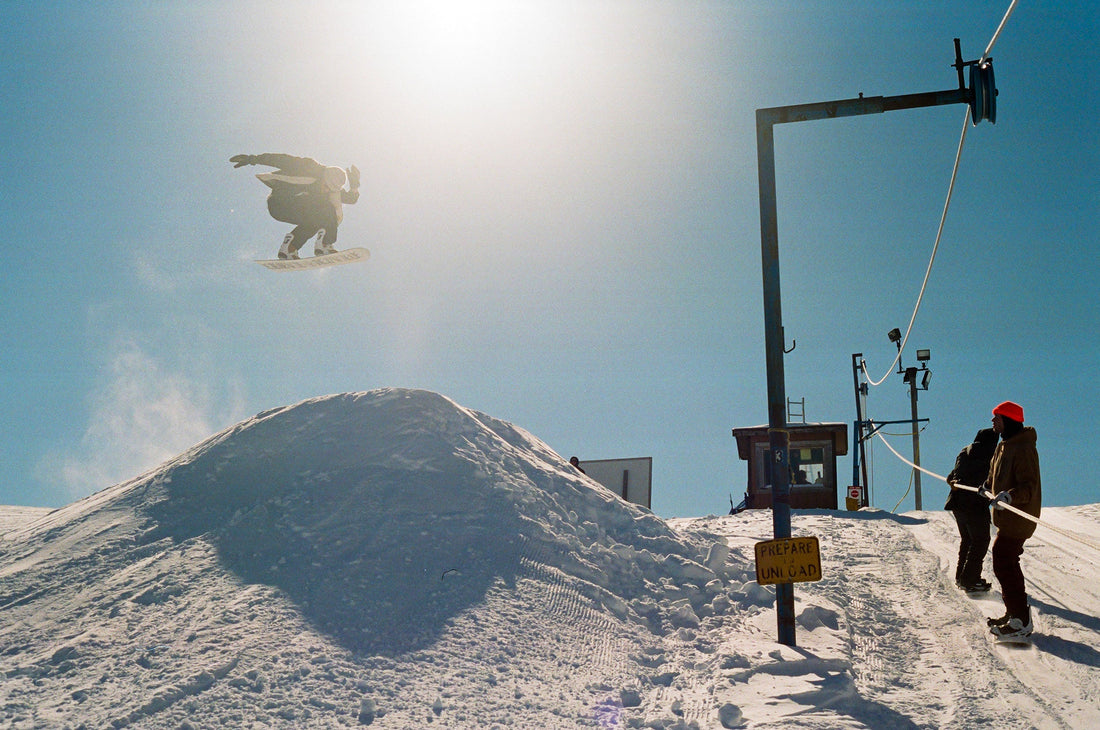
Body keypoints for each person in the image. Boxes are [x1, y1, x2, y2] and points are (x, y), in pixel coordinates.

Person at [982, 400, 1041, 640]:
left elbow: (1028, 485)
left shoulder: (1023, 447)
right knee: (1003, 561)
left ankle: (1021, 621)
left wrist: (1010, 496)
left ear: (1010, 420)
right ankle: (1015, 614)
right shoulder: (1003, 445)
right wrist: (986, 486)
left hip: (1019, 514)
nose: (993, 421)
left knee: (1004, 560)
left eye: (997, 417)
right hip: (1006, 516)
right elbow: (995, 474)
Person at [230, 153, 360, 260]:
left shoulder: (332, 189)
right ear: (324, 178)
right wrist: (252, 159)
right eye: (326, 186)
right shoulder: (308, 167)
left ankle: (289, 249)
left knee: (315, 221)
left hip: (297, 208)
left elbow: (350, 199)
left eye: (329, 189)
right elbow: (281, 160)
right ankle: (325, 244)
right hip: (279, 203)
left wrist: (354, 186)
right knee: (327, 208)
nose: (326, 190)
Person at [945, 428, 998, 592]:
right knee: (980, 540)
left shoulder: (964, 452)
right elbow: (993, 478)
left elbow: (951, 477)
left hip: (957, 502)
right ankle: (969, 579)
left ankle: (962, 577)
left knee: (967, 539)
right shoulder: (990, 455)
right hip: (974, 503)